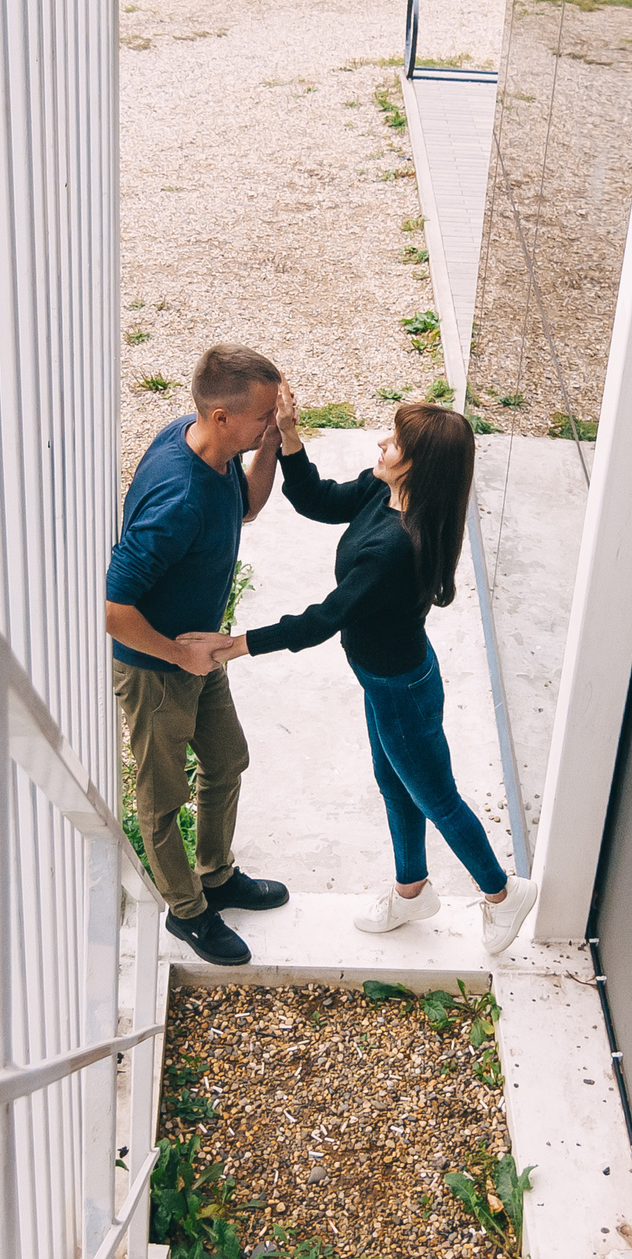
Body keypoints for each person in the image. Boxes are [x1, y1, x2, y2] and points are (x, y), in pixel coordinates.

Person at [184, 402, 539, 954]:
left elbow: (324, 619)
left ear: (417, 466)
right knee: (395, 783)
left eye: (393, 443)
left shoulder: (396, 547)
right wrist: (290, 438)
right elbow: (319, 500)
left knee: (436, 797)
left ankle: (502, 893)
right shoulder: (385, 492)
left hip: (400, 690)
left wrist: (234, 646)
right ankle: (411, 890)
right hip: (386, 680)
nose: (381, 445)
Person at [106, 344, 296, 966]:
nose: (271, 421)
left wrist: (272, 443)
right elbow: (110, 608)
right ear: (220, 417)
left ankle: (216, 876)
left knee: (227, 760)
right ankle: (186, 913)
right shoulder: (178, 501)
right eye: (263, 416)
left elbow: (247, 506)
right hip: (158, 668)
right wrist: (175, 655)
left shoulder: (208, 448)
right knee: (162, 800)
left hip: (201, 648)